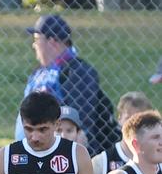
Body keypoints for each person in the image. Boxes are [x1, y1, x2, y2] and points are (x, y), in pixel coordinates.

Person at [15, 14, 120, 156]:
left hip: (59, 154)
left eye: (36, 39)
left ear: (52, 41)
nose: (34, 45)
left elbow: (82, 123)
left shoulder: (78, 72)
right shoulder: (40, 72)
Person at [92, 91, 153, 174]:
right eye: (129, 119)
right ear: (119, 119)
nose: (134, 125)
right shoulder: (102, 161)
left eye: (141, 120)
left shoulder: (157, 159)